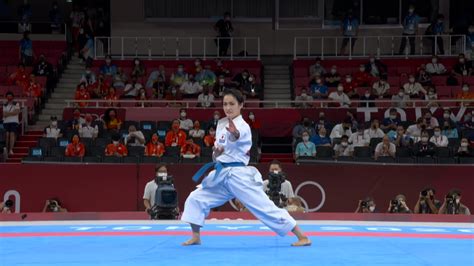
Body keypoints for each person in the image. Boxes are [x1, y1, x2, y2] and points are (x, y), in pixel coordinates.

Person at [181, 89, 311, 247]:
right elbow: (219, 153)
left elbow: (237, 137)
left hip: (238, 176)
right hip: (221, 174)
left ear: (241, 105)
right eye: (225, 104)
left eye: (232, 104)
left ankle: (302, 236)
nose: (228, 107)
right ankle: (196, 236)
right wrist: (216, 152)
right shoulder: (222, 125)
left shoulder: (243, 127)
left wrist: (234, 134)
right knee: (195, 198)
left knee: (264, 207)